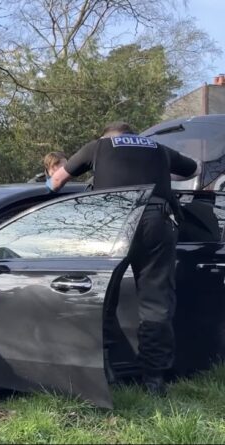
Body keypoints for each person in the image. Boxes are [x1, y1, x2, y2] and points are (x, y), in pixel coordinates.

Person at [48, 121, 199, 395]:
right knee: (156, 301)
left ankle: (104, 370)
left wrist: (48, 184)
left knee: (102, 296)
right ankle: (154, 380)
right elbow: (194, 169)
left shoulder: (98, 147)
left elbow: (56, 182)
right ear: (133, 136)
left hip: (113, 220)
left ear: (107, 136)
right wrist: (161, 172)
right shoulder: (158, 148)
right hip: (157, 220)